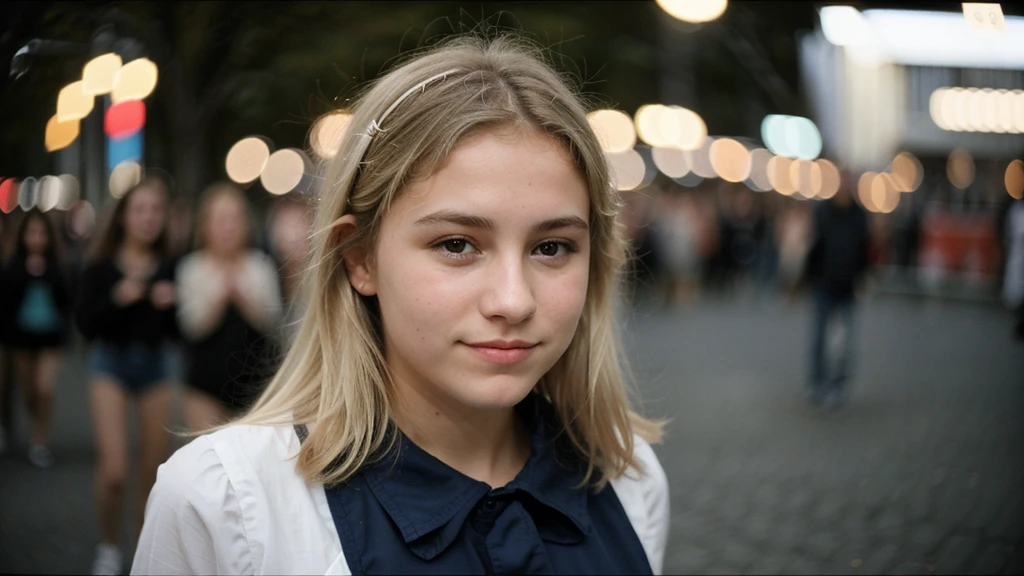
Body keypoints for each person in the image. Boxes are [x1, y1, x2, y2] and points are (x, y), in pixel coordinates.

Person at [133, 35, 669, 575]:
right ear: (359, 258)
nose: (513, 300)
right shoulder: (231, 507)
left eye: (552, 248)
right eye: (456, 245)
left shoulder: (631, 481)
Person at [75, 176, 180, 576]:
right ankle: (108, 545)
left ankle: (142, 549)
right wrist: (117, 299)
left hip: (155, 368)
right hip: (111, 366)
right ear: (123, 217)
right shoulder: (102, 267)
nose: (148, 218)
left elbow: (178, 332)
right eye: (140, 209)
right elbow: (84, 323)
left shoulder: (171, 265)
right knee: (115, 470)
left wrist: (172, 305)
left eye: (156, 210)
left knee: (153, 474)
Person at [176, 182, 283, 430]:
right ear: (205, 226)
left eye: (234, 220)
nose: (228, 228)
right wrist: (219, 297)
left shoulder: (260, 265)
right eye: (220, 220)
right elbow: (190, 327)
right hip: (204, 386)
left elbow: (273, 322)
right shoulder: (192, 268)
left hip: (255, 387)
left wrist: (245, 299)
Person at [0, 210, 72, 467]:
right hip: (21, 339)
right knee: (28, 391)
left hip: (50, 339)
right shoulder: (12, 266)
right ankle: (33, 425)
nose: (37, 238)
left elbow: (66, 301)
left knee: (44, 388)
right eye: (32, 232)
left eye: (41, 233)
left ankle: (40, 440)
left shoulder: (58, 266)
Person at [804, 169, 870, 409]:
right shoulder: (822, 211)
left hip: (848, 286)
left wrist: (863, 277)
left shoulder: (860, 215)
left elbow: (864, 249)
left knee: (845, 343)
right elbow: (815, 245)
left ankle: (839, 385)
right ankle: (817, 382)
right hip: (824, 283)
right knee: (819, 338)